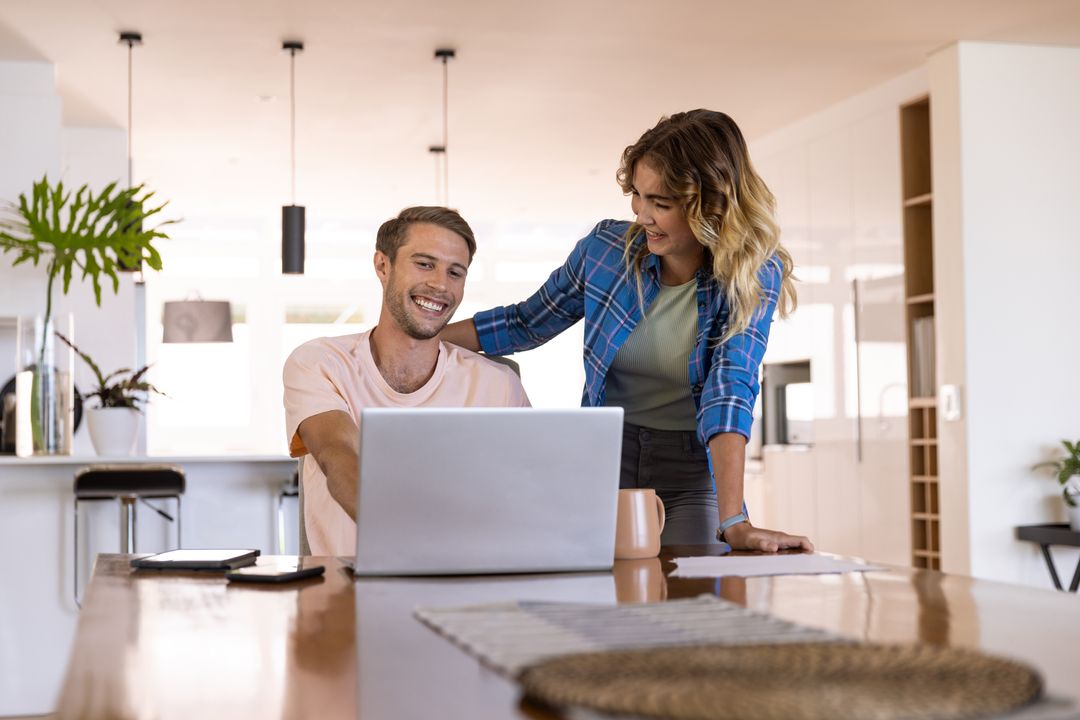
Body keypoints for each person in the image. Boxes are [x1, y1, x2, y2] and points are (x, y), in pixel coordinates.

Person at [442, 110, 812, 553]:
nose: (643, 217)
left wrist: (735, 521)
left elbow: (729, 391)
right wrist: (419, 335)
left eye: (662, 203)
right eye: (638, 196)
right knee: (604, 598)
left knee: (691, 596)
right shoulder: (605, 252)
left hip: (691, 470)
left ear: (711, 204)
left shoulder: (752, 275)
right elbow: (526, 322)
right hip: (605, 458)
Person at [283, 206, 530, 556]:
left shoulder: (499, 385)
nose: (441, 284)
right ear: (383, 266)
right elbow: (339, 457)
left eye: (455, 272)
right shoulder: (321, 363)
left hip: (466, 586)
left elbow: (525, 497)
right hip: (342, 593)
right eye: (425, 264)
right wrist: (416, 552)